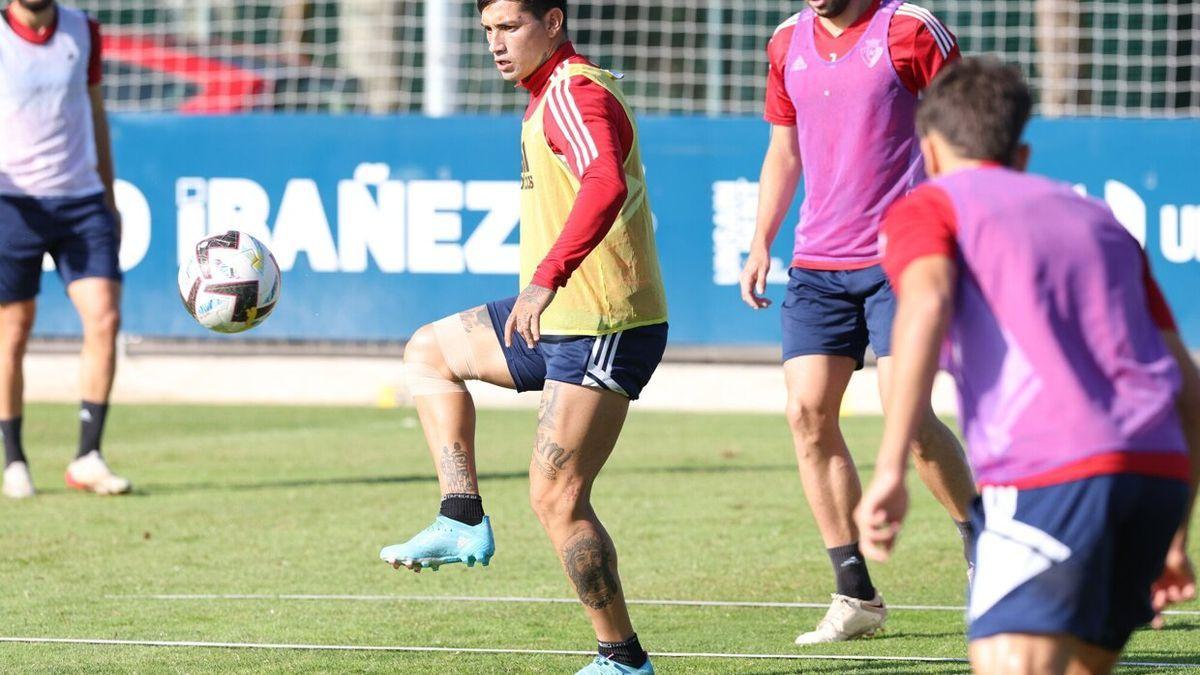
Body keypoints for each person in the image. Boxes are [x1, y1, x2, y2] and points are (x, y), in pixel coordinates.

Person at [856, 57, 1198, 675]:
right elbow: (1189, 392)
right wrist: (1175, 533)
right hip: (1158, 478)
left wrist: (889, 469)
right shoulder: (1102, 221)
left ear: (927, 151)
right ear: (1020, 154)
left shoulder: (928, 206)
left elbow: (926, 303)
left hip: (1051, 474)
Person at [377, 2, 668, 673]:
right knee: (429, 352)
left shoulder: (573, 92)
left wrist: (544, 280)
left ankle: (622, 658)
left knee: (556, 497)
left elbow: (604, 182)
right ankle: (461, 515)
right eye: (488, 32)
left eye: (510, 27)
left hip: (603, 322)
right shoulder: (547, 95)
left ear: (555, 22)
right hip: (563, 314)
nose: (497, 45)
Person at [739, 0, 978, 643]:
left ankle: (986, 552)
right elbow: (783, 150)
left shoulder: (909, 30)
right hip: (817, 266)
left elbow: (967, 137)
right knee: (806, 415)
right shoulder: (786, 40)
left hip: (904, 257)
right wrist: (762, 239)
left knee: (912, 420)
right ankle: (855, 595)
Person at [0, 0, 130, 498]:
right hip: (15, 205)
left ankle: (88, 456)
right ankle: (14, 459)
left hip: (81, 199)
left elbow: (95, 112)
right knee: (12, 333)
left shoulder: (82, 31)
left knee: (105, 319)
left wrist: (109, 195)